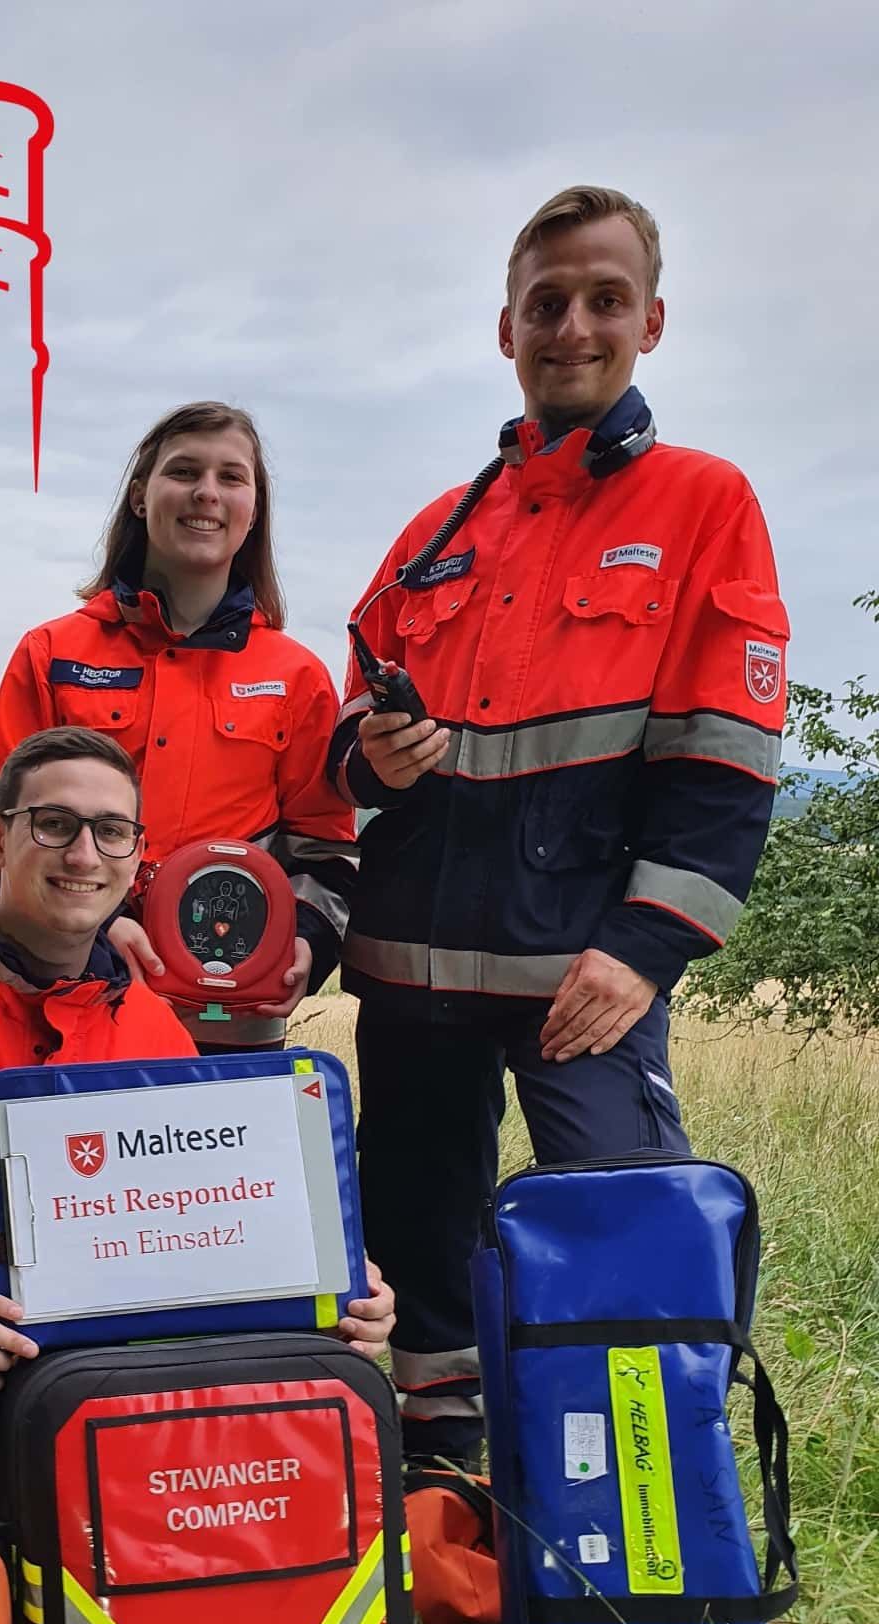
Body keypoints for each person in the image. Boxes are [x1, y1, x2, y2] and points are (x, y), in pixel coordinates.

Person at [328, 186, 788, 1467]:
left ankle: (643, 1492)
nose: (571, 325)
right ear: (506, 327)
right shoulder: (437, 529)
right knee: (419, 1235)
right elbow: (343, 737)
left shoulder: (705, 501)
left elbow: (728, 752)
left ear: (651, 320)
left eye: (601, 300)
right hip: (412, 970)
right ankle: (444, 1481)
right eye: (547, 303)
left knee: (633, 1229)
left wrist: (644, 948)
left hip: (581, 973)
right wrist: (365, 754)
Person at [0, 727, 396, 1516]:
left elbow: (200, 1240)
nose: (84, 854)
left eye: (111, 831)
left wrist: (331, 1293)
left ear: (134, 859)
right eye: (54, 824)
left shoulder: (154, 1033)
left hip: (105, 1395)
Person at [0, 401, 357, 1051]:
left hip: (232, 1022)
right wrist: (90, 936)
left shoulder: (295, 677)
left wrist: (307, 944)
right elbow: (3, 832)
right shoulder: (53, 655)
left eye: (232, 477)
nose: (207, 492)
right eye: (184, 471)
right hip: (67, 1004)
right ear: (138, 496)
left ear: (254, 509)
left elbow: (327, 848)